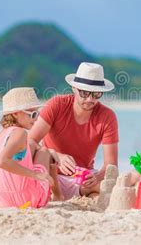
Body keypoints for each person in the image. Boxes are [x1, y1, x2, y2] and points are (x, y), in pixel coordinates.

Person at [28, 62, 119, 200]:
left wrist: (96, 176)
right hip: (51, 176)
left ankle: (89, 194)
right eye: (84, 93)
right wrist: (57, 156)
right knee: (105, 191)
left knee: (111, 186)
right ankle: (85, 194)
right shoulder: (56, 105)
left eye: (96, 94)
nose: (90, 99)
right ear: (74, 88)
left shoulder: (107, 116)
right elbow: (29, 142)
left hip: (83, 179)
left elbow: (111, 166)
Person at [0, 87, 62, 208]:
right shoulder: (20, 133)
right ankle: (58, 195)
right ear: (15, 113)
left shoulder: (1, 134)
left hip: (4, 201)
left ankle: (57, 194)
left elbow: (28, 148)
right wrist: (36, 175)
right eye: (32, 114)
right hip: (27, 200)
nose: (36, 119)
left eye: (37, 114)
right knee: (44, 152)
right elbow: (2, 161)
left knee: (36, 148)